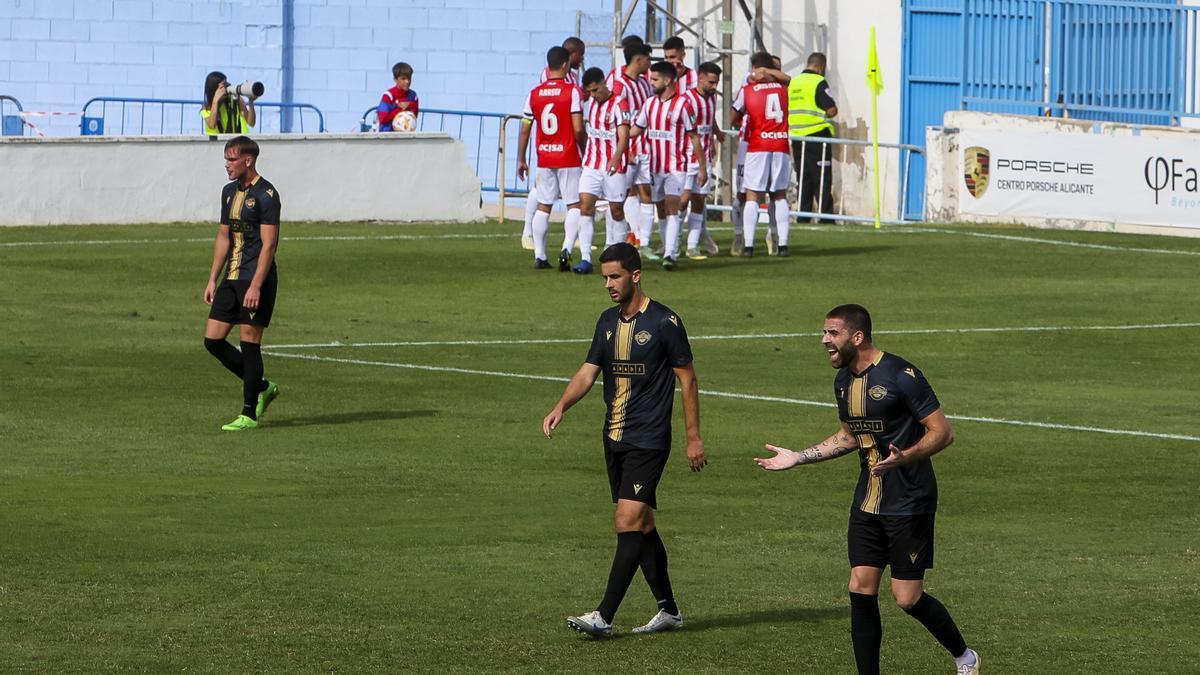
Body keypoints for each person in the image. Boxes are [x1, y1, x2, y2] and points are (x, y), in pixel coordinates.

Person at [754, 304, 981, 675]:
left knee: (907, 598)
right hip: (868, 500)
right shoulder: (843, 381)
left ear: (856, 337)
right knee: (861, 588)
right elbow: (848, 436)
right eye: (824, 333)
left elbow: (943, 432)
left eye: (832, 333)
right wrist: (800, 457)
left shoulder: (902, 375)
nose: (824, 340)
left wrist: (904, 457)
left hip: (909, 501)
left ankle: (965, 657)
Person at [543, 242, 707, 638]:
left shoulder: (666, 323)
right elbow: (588, 371)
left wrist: (693, 438)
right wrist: (561, 406)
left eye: (614, 276)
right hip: (613, 436)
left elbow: (688, 380)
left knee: (626, 520)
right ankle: (669, 610)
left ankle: (604, 615)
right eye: (604, 278)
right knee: (643, 524)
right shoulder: (607, 322)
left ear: (636, 275)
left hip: (648, 439)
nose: (608, 285)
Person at [203, 136, 282, 431]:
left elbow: (269, 245)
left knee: (250, 344)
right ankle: (263, 386)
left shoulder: (267, 195)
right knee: (212, 341)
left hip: (255, 280)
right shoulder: (228, 193)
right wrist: (213, 278)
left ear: (248, 161)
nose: (227, 165)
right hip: (231, 278)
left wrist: (256, 286)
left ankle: (249, 414)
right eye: (226, 159)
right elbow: (224, 236)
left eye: (232, 160)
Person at [629, 61, 705, 270]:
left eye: (655, 79)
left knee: (673, 205)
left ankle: (671, 254)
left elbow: (694, 137)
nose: (651, 83)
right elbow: (636, 129)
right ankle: (667, 247)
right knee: (660, 207)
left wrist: (702, 167)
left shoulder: (683, 104)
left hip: (676, 167)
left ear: (668, 80)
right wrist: (617, 137)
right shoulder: (649, 104)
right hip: (655, 166)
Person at [517, 46, 586, 270]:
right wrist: (584, 149)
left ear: (548, 65)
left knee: (544, 206)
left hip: (544, 157)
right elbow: (577, 128)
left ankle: (540, 255)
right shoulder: (572, 91)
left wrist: (521, 158)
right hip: (568, 156)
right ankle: (567, 247)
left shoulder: (534, 94)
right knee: (574, 204)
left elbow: (525, 128)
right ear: (565, 65)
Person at [731, 52, 792, 258]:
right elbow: (788, 78)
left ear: (756, 67)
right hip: (781, 143)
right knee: (780, 194)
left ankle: (748, 245)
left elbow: (733, 116)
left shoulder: (748, 89)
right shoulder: (782, 88)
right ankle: (782, 245)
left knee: (753, 195)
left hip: (758, 144)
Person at [606, 41, 655, 255]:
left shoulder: (645, 84)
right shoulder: (618, 85)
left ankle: (643, 243)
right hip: (627, 151)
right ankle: (612, 241)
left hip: (645, 148)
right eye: (648, 59)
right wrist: (624, 149)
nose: (650, 63)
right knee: (618, 196)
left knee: (646, 193)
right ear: (638, 59)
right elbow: (614, 121)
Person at [580, 67, 632, 259]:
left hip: (614, 166)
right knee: (585, 207)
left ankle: (618, 254)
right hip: (592, 164)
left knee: (616, 210)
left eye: (595, 90)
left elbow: (624, 136)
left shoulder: (620, 104)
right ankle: (585, 257)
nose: (593, 95)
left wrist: (616, 157)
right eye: (589, 92)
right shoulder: (591, 104)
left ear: (603, 82)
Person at [680, 61, 722, 259]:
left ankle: (691, 246)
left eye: (717, 83)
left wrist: (717, 134)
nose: (715, 87)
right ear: (700, 77)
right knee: (681, 201)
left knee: (698, 201)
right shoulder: (686, 100)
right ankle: (670, 243)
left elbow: (710, 119)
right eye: (712, 82)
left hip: (704, 157)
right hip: (686, 158)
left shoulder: (711, 99)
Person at [789, 52, 838, 223]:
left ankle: (803, 216)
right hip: (817, 137)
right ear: (820, 67)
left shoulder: (793, 82)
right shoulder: (818, 82)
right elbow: (831, 109)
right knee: (822, 178)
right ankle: (826, 218)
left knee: (803, 178)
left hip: (796, 138)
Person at [202, 71, 256, 135]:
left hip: (240, 141)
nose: (226, 87)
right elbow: (212, 125)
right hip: (217, 143)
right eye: (223, 85)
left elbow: (251, 123)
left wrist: (251, 101)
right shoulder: (206, 109)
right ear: (214, 89)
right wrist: (215, 101)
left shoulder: (236, 100)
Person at [378, 62, 419, 133]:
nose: (407, 81)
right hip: (387, 136)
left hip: (407, 137)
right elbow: (383, 118)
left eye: (409, 78)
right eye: (403, 79)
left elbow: (414, 116)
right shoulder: (388, 96)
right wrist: (399, 109)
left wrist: (409, 105)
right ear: (395, 80)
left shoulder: (413, 96)